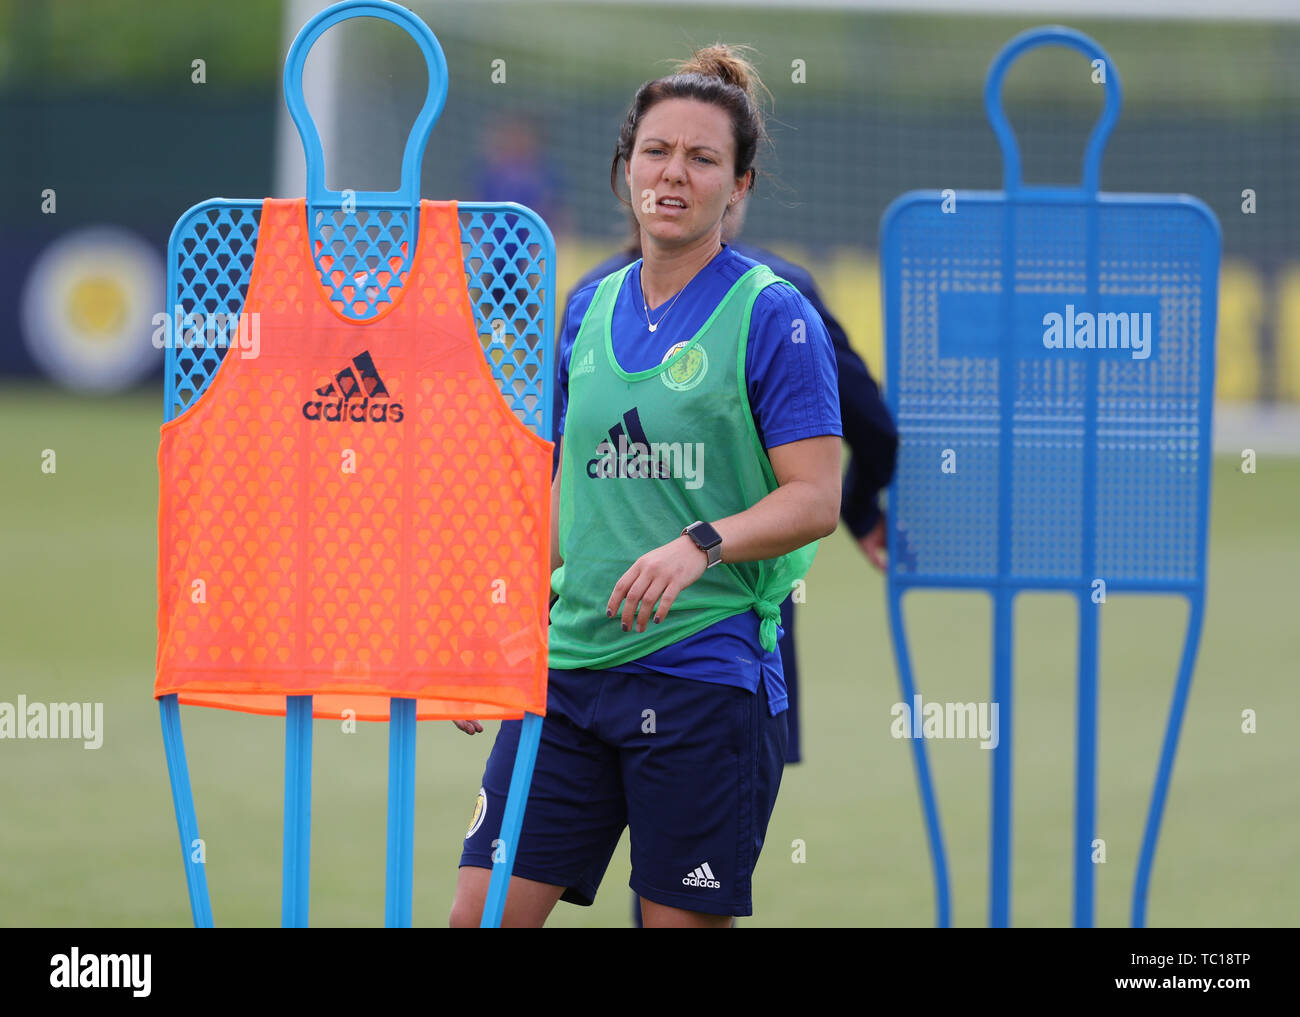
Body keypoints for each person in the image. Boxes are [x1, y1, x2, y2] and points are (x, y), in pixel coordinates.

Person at [449, 43, 843, 928]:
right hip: (565, 676)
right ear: (626, 165)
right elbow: (565, 491)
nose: (674, 174)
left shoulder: (772, 315)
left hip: (704, 678)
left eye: (703, 158)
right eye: (656, 151)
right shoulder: (587, 306)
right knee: (476, 916)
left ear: (738, 185)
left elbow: (815, 498)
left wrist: (701, 544)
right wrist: (498, 630)